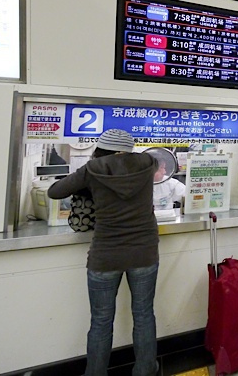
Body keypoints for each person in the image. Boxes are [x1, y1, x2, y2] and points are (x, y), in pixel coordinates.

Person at [47, 129, 160, 376]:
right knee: (143, 315)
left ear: (100, 148)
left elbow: (54, 192)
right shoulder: (148, 163)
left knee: (100, 321)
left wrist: (88, 187)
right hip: (144, 252)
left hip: (105, 254)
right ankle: (146, 370)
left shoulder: (92, 169)